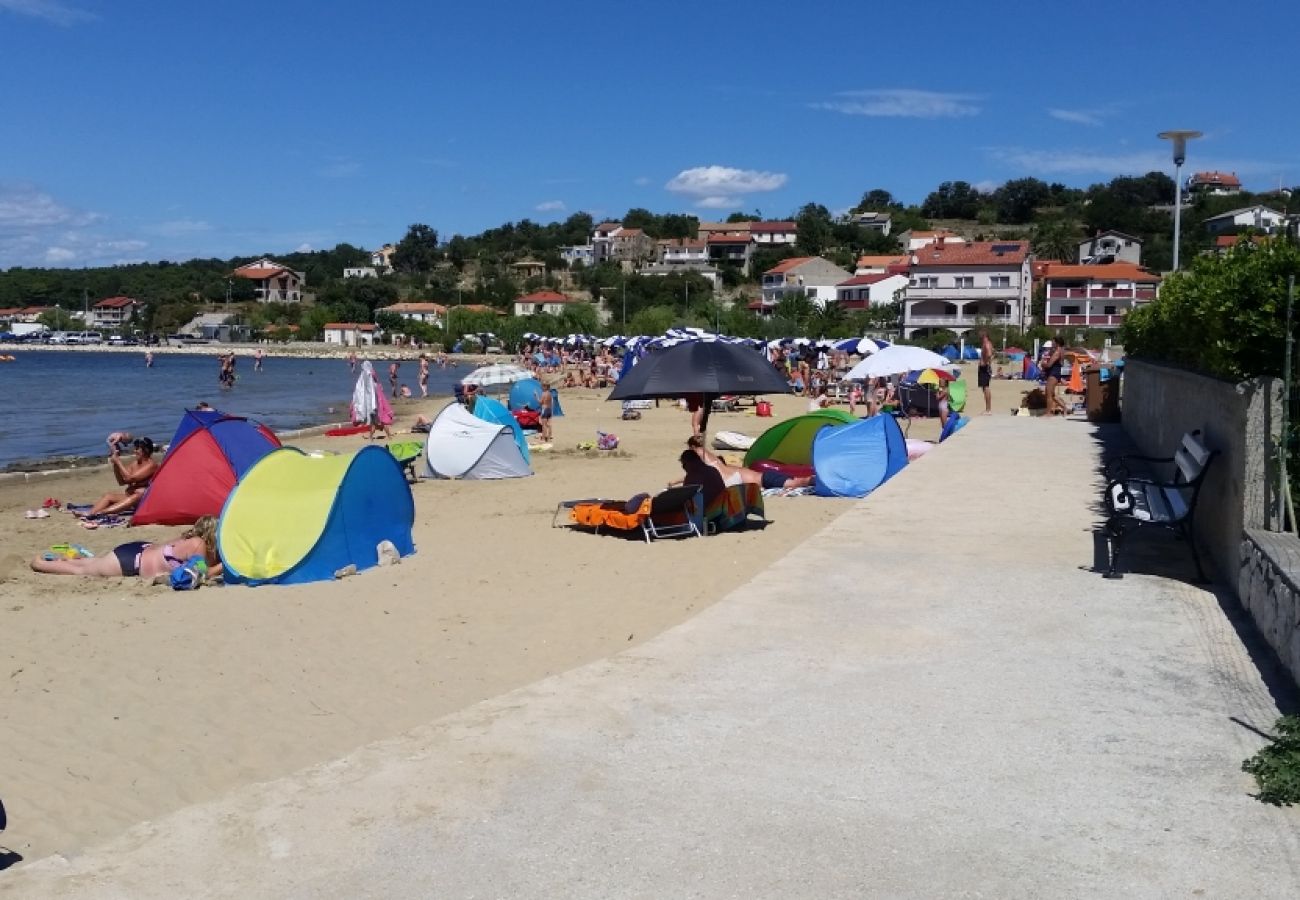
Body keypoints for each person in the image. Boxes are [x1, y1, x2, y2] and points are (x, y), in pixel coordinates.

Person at [32, 516, 222, 580]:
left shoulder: (188, 539)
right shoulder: (199, 544)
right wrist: (225, 565)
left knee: (93, 563)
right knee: (81, 571)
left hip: (136, 551)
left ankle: (60, 560)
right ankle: (40, 564)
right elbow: (203, 573)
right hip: (131, 562)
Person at [684, 435, 811, 492]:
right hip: (765, 477)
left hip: (766, 479)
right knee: (798, 480)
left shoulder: (709, 462)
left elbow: (698, 471)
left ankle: (817, 479)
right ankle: (813, 479)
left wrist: (675, 482)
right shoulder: (719, 463)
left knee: (799, 482)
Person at [76, 437, 159, 518]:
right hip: (131, 499)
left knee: (140, 494)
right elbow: (122, 481)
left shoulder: (151, 465)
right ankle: (91, 513)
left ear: (146, 450)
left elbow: (131, 478)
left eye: (137, 449)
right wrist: (116, 464)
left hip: (144, 501)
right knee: (109, 496)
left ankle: (102, 512)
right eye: (135, 448)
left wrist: (118, 462)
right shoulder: (135, 464)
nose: (134, 451)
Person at [352, 360, 394, 441]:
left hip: (371, 404)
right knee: (380, 420)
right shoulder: (371, 376)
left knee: (375, 421)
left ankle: (375, 437)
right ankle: (386, 436)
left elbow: (360, 390)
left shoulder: (364, 376)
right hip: (376, 403)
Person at [1041, 338, 1067, 416]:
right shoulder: (1061, 351)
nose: (1052, 343)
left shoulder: (1057, 352)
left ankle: (1048, 413)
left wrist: (1043, 364)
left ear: (1057, 343)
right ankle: (1064, 408)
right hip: (1056, 373)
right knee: (1052, 394)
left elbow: (1049, 364)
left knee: (1048, 393)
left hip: (1053, 374)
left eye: (1053, 342)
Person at [978, 329, 994, 415]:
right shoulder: (988, 343)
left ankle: (988, 409)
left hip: (984, 367)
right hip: (986, 367)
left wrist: (985, 362)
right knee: (985, 387)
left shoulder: (986, 343)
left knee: (985, 387)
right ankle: (988, 409)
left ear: (984, 335)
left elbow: (989, 354)